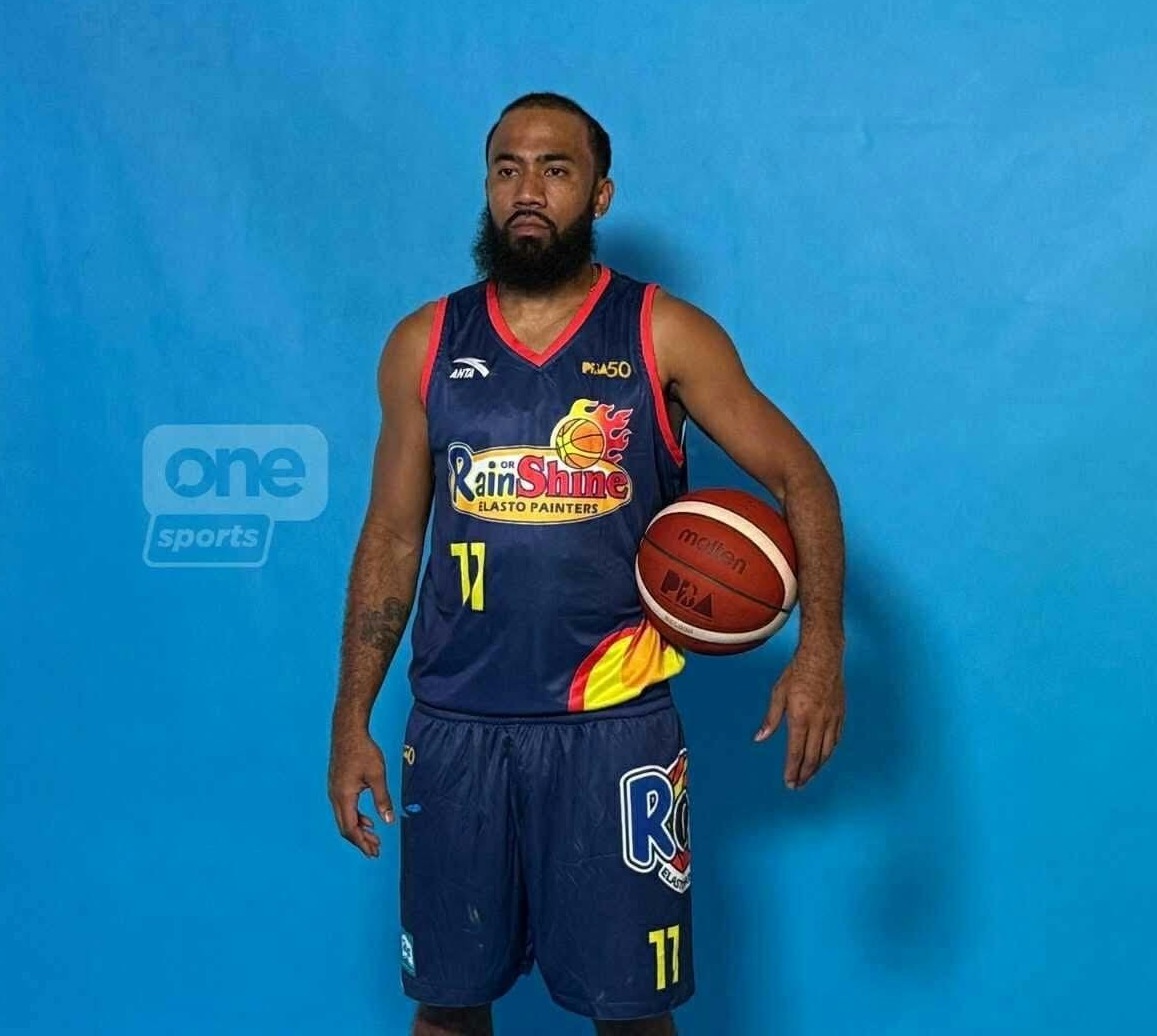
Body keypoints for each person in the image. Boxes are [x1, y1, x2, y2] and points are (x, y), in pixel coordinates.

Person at [328, 91, 847, 1036]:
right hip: (457, 726)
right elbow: (394, 538)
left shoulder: (662, 334)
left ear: (600, 195)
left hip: (614, 728)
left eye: (556, 170)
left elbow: (801, 478)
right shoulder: (424, 345)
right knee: (446, 1011)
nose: (528, 190)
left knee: (632, 1017)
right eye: (508, 169)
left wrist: (819, 654)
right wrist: (350, 718)